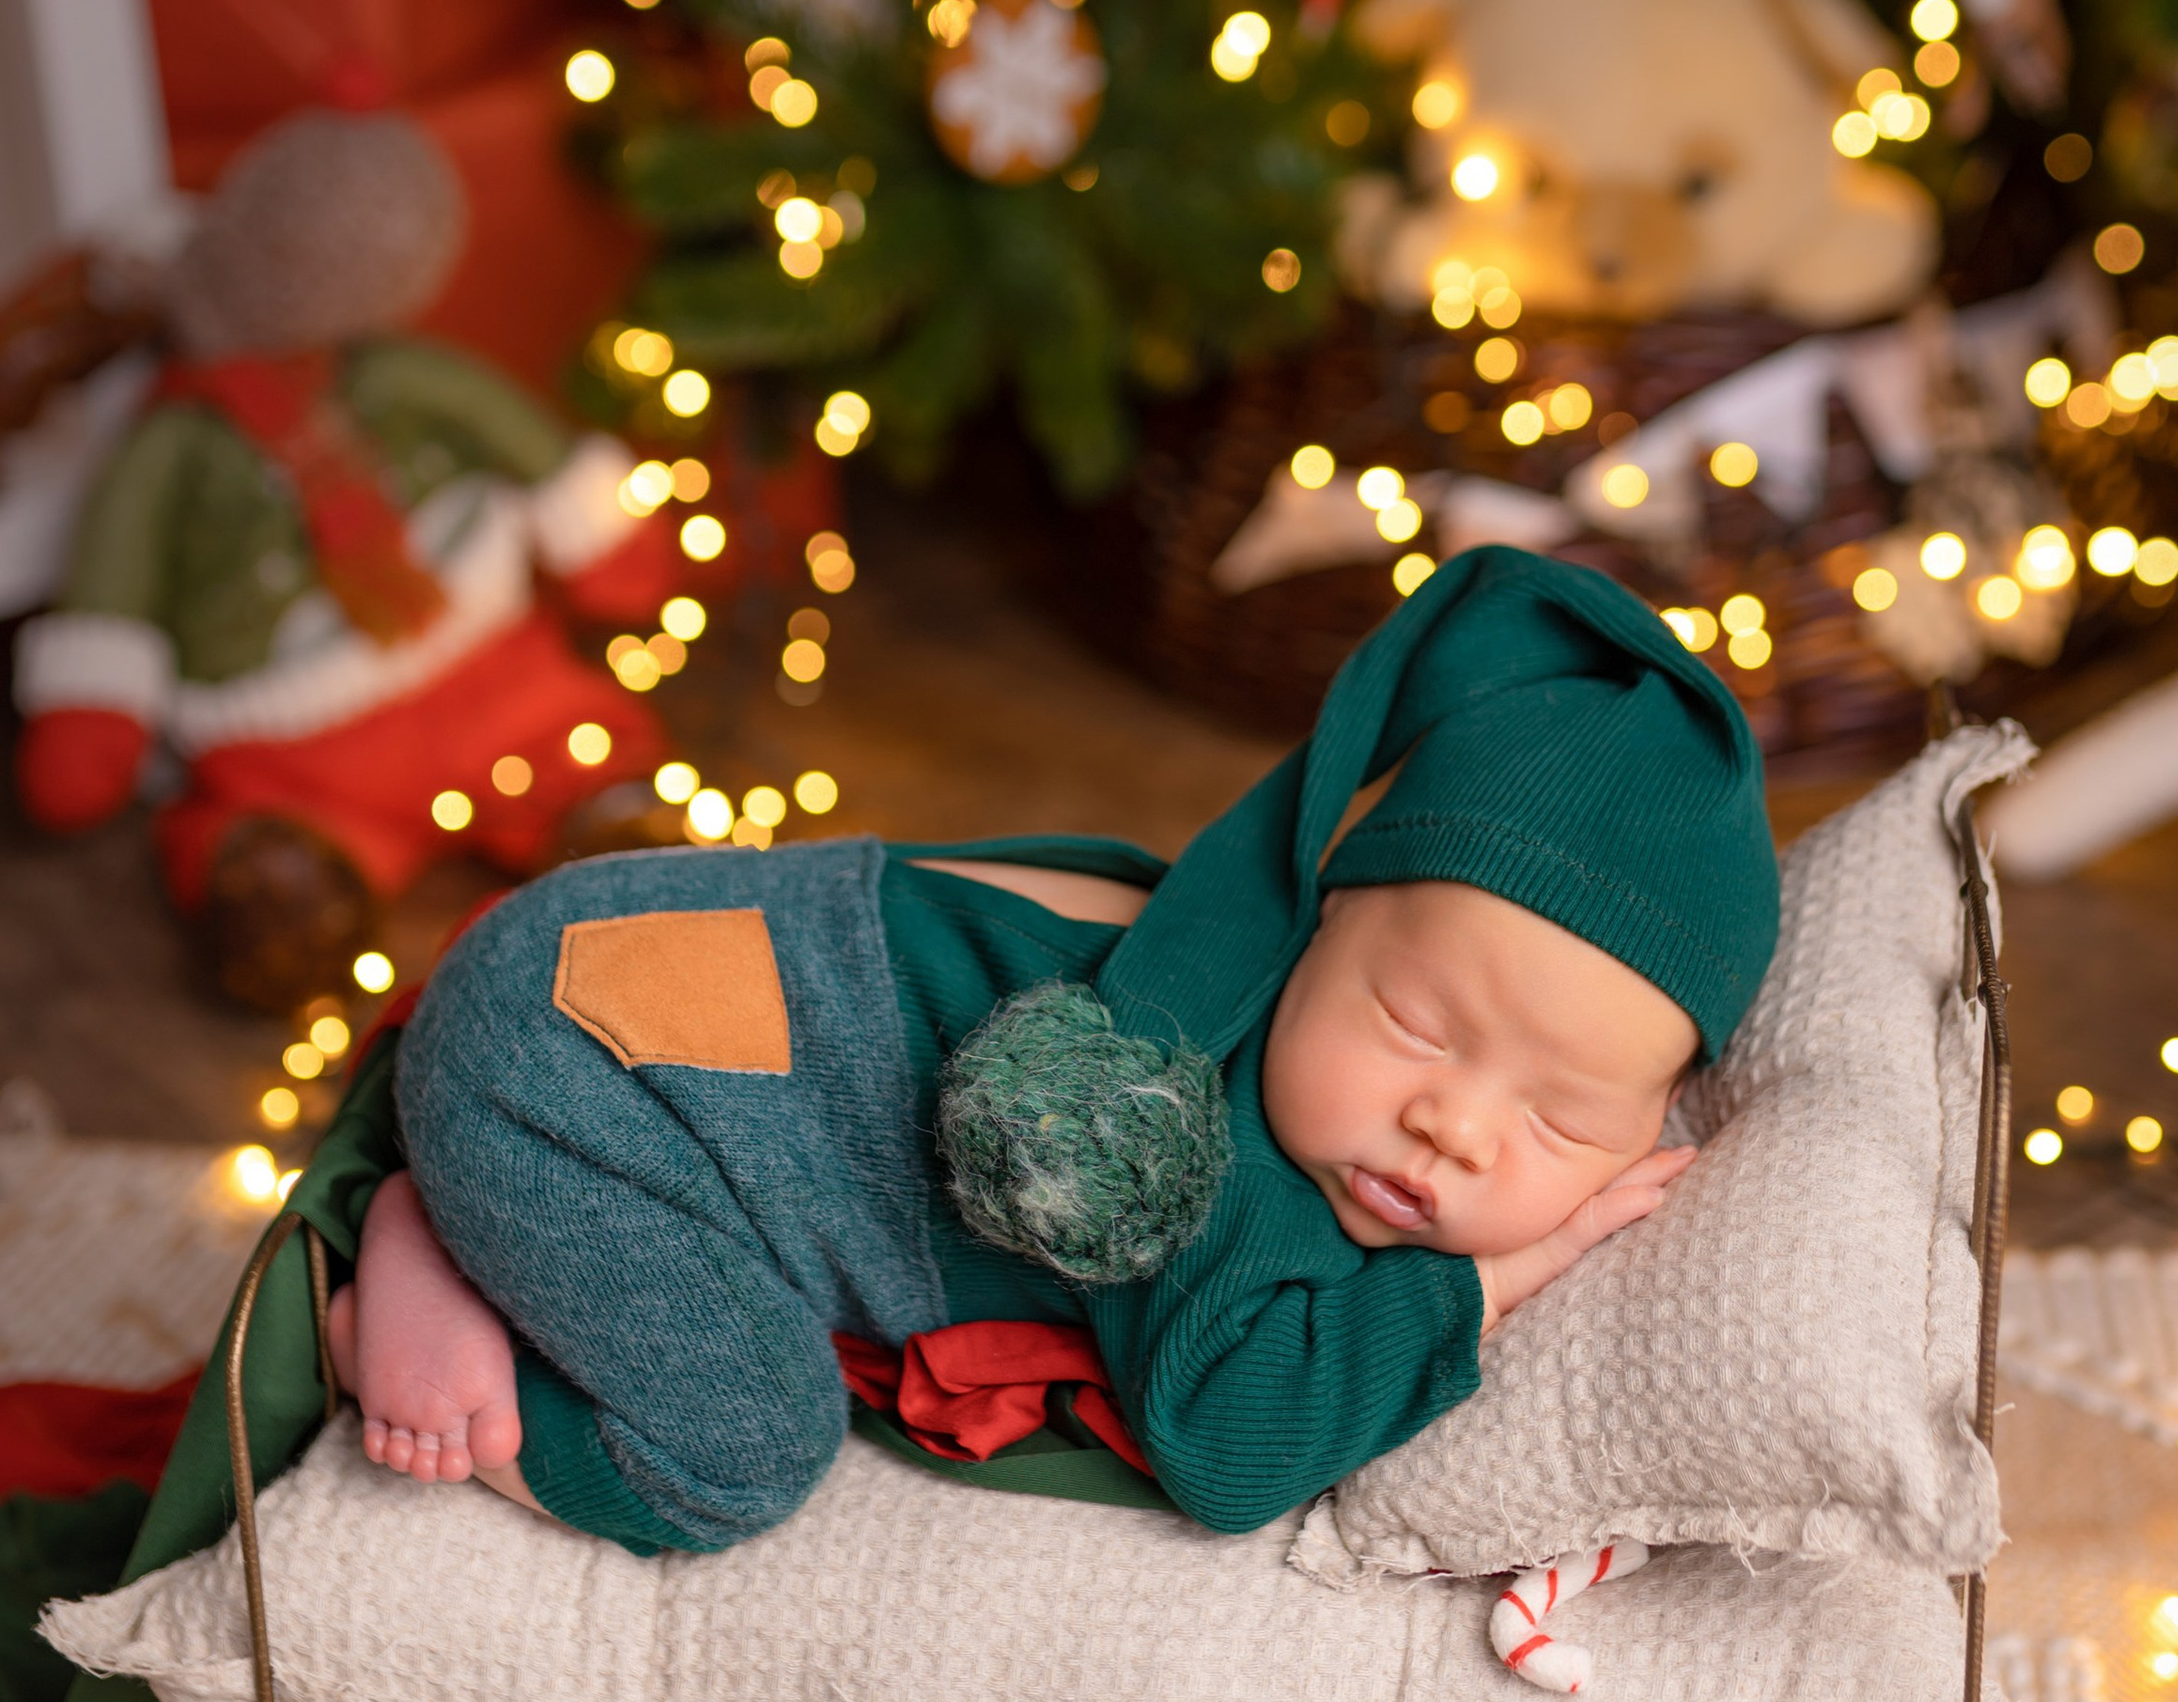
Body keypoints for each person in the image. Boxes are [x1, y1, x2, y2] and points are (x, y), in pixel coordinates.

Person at [330, 545, 1781, 1544]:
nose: (1454, 1130)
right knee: (739, 1455)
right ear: (1319, 916)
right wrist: (1498, 1273)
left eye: (1563, 1124)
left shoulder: (1200, 938)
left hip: (591, 959)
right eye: (1418, 1027)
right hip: (571, 1082)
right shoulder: (1172, 1124)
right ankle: (441, 1314)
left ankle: (474, 1203)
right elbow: (1230, 1451)